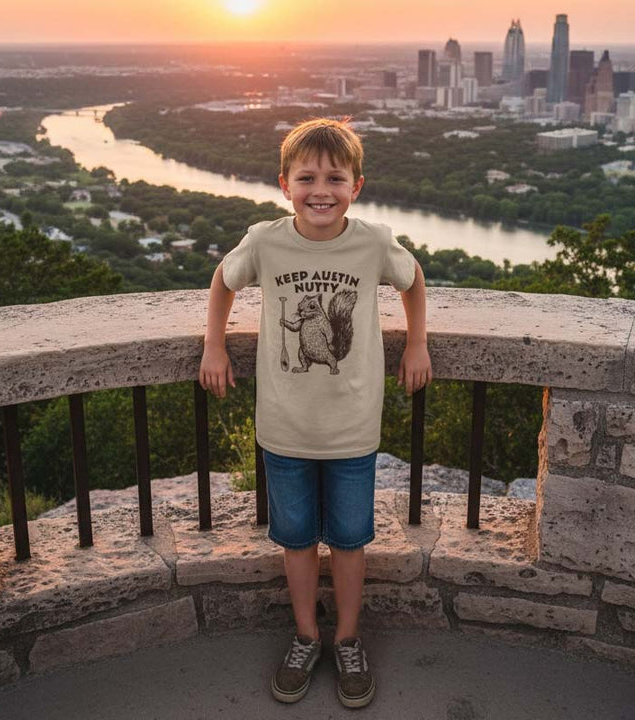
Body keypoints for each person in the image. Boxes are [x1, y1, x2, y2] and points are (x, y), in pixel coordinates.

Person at [199, 117, 431, 709]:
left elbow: (413, 279)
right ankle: (306, 636)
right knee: (297, 541)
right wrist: (214, 345)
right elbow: (223, 281)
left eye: (335, 177)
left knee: (350, 543)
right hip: (285, 429)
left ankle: (347, 639)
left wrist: (418, 342)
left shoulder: (374, 242)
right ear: (285, 184)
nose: (320, 189)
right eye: (307, 178)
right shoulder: (266, 240)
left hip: (353, 432)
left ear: (358, 185)